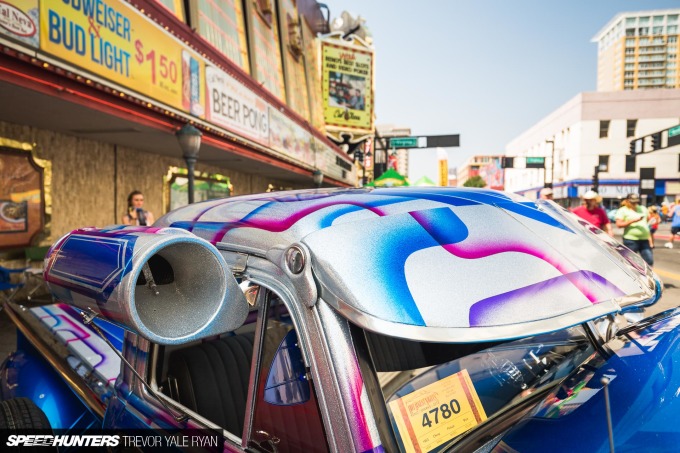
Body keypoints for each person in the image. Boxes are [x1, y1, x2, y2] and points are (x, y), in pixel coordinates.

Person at [615, 193, 653, 266]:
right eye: (632, 202)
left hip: (644, 239)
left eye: (636, 202)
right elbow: (619, 224)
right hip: (630, 240)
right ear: (627, 201)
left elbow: (647, 219)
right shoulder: (623, 210)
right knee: (629, 262)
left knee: (649, 260)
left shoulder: (643, 208)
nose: (634, 204)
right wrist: (633, 221)